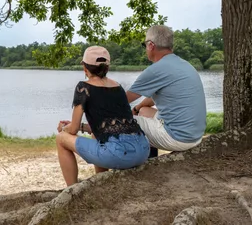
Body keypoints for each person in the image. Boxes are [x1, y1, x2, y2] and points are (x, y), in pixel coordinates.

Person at [56, 46, 150, 186]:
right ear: (107, 67)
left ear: (85, 68)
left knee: (61, 139)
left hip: (118, 154)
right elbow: (109, 126)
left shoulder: (83, 88)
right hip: (143, 150)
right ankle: (102, 182)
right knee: (97, 135)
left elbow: (73, 129)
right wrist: (82, 126)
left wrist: (64, 128)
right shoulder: (117, 87)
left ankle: (72, 189)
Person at [126, 25, 207, 157]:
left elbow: (121, 101)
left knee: (124, 123)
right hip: (195, 135)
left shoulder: (156, 70)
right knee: (143, 111)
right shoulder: (185, 65)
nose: (145, 48)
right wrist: (137, 108)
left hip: (178, 138)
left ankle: (137, 164)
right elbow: (153, 99)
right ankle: (151, 159)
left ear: (151, 45)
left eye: (144, 44)